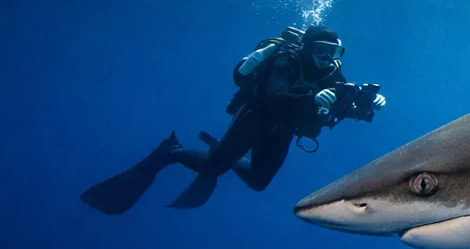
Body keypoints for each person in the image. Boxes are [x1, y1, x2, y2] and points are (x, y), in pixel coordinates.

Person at [81, 25, 386, 214]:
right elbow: (276, 95)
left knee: (257, 182)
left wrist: (365, 105)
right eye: (320, 50)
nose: (327, 57)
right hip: (254, 121)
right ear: (307, 48)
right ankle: (171, 153)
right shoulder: (285, 61)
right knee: (212, 170)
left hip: (282, 131)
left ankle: (220, 153)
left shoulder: (331, 71)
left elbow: (338, 103)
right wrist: (310, 99)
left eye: (334, 52)